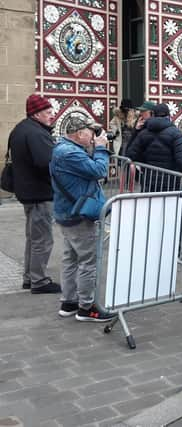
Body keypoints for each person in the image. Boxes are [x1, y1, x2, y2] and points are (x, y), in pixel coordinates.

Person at [50, 115, 116, 321]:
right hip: (78, 215)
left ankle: (69, 302)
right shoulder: (70, 153)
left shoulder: (64, 148)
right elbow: (99, 170)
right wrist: (102, 148)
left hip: (67, 212)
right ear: (79, 134)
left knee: (71, 258)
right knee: (88, 261)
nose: (93, 136)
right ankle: (87, 308)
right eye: (91, 132)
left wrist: (95, 146)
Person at [8, 94, 61, 293]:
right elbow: (46, 163)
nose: (52, 116)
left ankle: (30, 278)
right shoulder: (36, 133)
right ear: (37, 114)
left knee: (33, 237)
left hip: (27, 192)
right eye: (48, 112)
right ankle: (39, 281)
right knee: (42, 239)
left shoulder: (21, 128)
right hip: (39, 193)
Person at [125, 103, 182, 192]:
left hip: (149, 181)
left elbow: (131, 154)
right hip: (171, 182)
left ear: (154, 115)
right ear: (168, 116)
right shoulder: (176, 133)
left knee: (150, 205)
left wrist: (144, 163)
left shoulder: (143, 133)